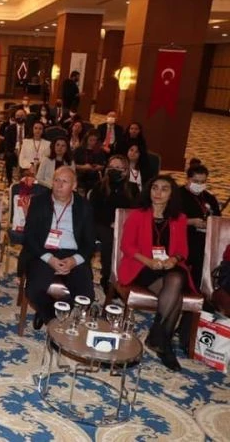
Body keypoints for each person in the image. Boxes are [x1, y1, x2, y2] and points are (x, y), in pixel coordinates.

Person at [118, 175, 193, 371]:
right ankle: (161, 340)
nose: (158, 193)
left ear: (171, 194)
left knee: (176, 278)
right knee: (176, 292)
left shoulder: (179, 219)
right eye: (155, 188)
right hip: (141, 266)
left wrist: (172, 260)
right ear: (149, 191)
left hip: (168, 268)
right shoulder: (138, 215)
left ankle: (159, 335)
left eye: (164, 189)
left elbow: (183, 251)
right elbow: (127, 246)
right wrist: (149, 262)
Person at [20, 166, 95, 329]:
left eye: (65, 181)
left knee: (86, 297)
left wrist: (74, 261)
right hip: (44, 252)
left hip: (72, 254)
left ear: (74, 186)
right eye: (56, 180)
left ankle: (47, 310)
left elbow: (90, 243)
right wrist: (50, 259)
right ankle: (54, 321)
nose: (59, 185)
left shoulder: (84, 207)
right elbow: (30, 237)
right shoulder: (39, 202)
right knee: (33, 291)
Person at [89, 154, 140, 295]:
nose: (113, 170)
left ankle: (126, 277)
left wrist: (120, 223)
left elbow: (135, 211)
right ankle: (108, 278)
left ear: (125, 170)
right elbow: (93, 211)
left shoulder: (132, 189)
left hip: (124, 225)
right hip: (102, 224)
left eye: (117, 167)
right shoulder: (100, 186)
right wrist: (110, 222)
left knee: (132, 240)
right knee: (110, 240)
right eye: (111, 167)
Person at [179, 160, 221, 290]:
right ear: (188, 179)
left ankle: (200, 290)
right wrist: (190, 221)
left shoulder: (209, 198)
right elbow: (168, 219)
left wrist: (209, 224)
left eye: (203, 182)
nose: (199, 185)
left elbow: (217, 219)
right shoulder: (177, 195)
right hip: (183, 237)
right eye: (196, 181)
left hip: (204, 239)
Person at [73, 130, 106, 195]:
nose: (93, 142)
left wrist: (98, 167)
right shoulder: (79, 150)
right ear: (86, 139)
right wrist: (83, 167)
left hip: (94, 179)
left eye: (95, 140)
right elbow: (72, 164)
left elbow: (103, 165)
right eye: (91, 140)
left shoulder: (100, 151)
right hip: (80, 178)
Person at [2, 108, 28, 182]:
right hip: (13, 152)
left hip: (26, 151)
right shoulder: (9, 128)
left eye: (22, 115)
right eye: (17, 116)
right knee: (8, 158)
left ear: (25, 117)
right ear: (15, 117)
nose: (20, 117)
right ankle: (10, 181)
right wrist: (11, 152)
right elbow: (6, 144)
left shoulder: (29, 128)